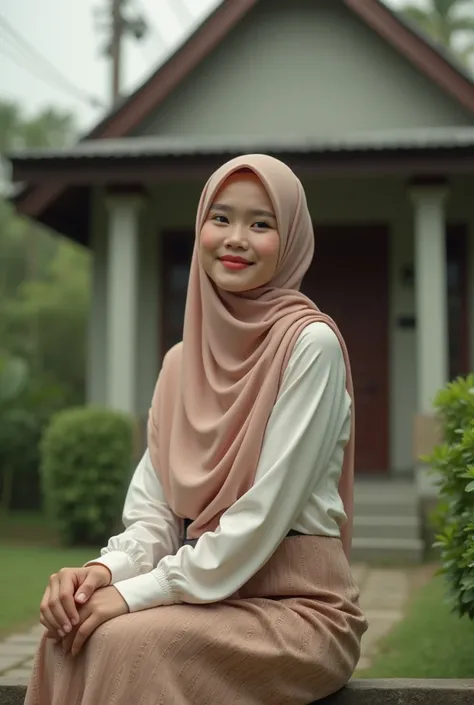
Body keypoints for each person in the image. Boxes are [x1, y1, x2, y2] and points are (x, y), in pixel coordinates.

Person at [26, 154, 368, 705]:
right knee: (66, 636)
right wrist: (101, 574)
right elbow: (156, 515)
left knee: (126, 644)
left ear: (291, 241)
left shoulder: (310, 346)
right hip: (201, 597)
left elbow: (263, 517)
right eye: (220, 218)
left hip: (295, 610)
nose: (236, 238)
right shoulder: (181, 364)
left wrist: (139, 595)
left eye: (261, 223)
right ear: (199, 229)